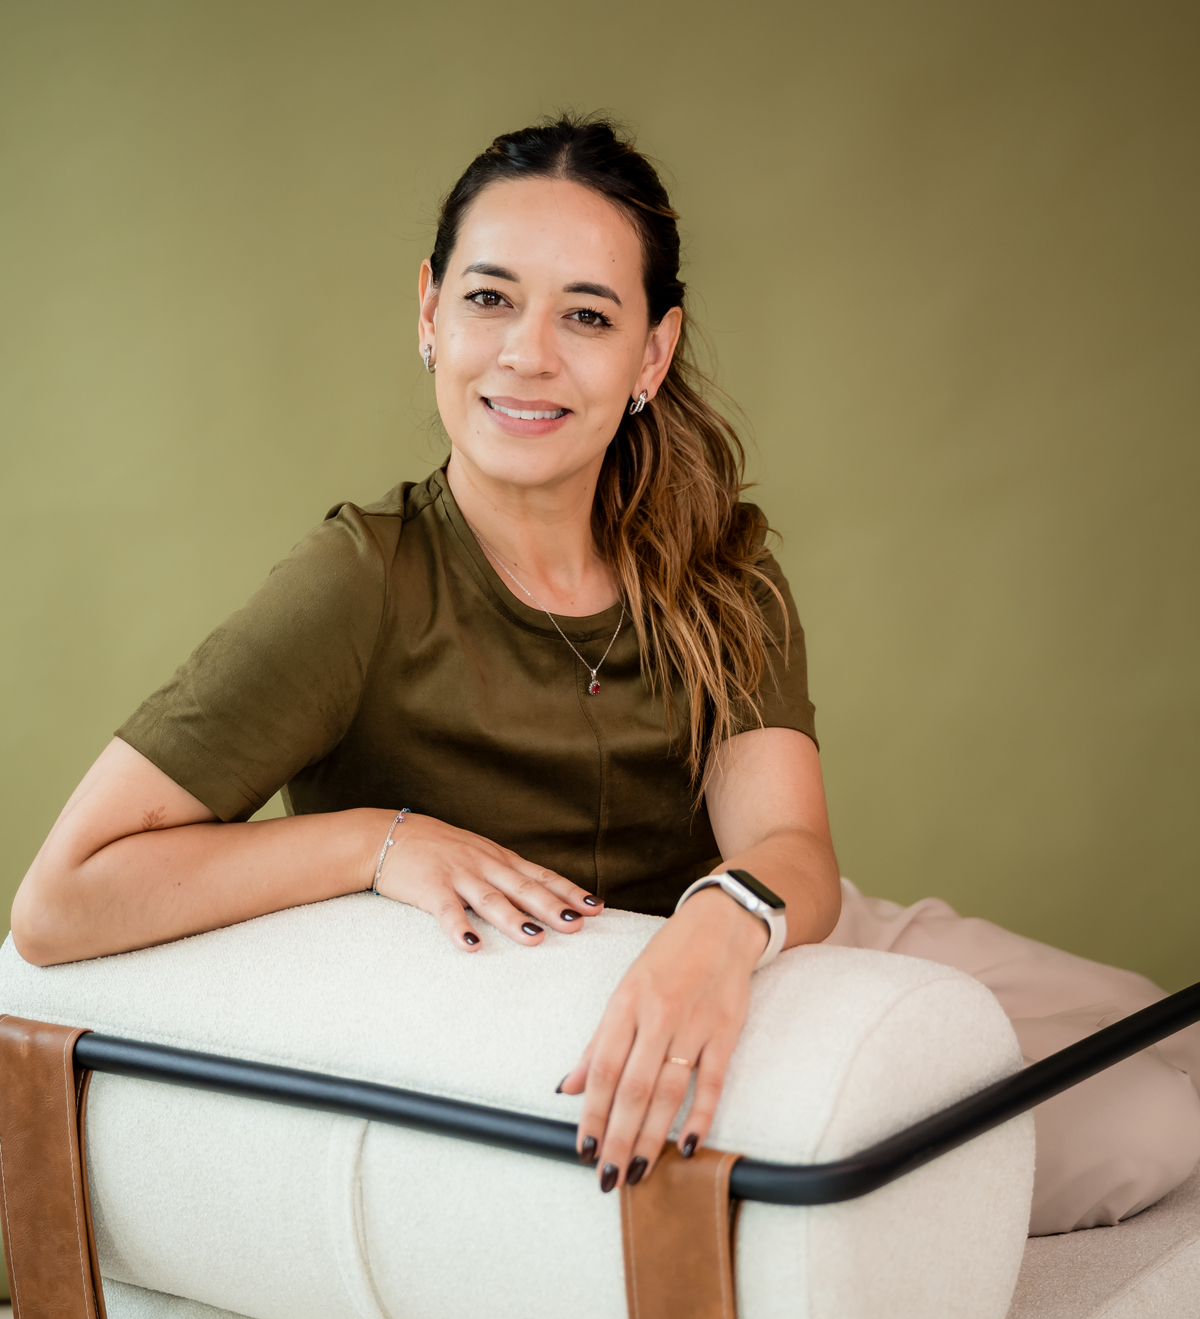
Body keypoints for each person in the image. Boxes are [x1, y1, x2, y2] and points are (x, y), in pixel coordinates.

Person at [11, 116, 1198, 1232]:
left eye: (586, 315)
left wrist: (720, 925)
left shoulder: (718, 565)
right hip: (629, 999)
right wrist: (377, 842)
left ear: (652, 351)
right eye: (489, 298)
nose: (527, 354)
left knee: (1168, 1031)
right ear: (430, 312)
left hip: (764, 942)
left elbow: (791, 851)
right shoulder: (360, 583)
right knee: (1146, 1127)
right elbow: (59, 903)